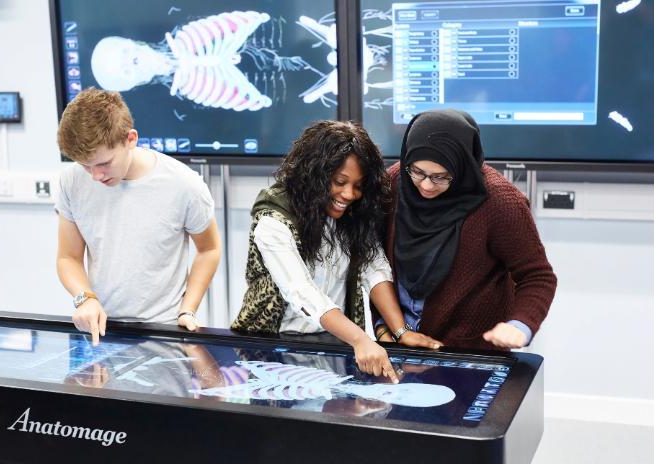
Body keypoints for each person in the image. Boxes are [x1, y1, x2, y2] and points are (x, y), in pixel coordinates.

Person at [231, 120, 441, 382]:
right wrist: (361, 339)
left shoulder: (355, 214)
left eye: (358, 185)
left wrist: (401, 331)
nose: (349, 194)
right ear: (313, 174)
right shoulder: (273, 220)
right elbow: (301, 293)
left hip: (335, 345)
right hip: (275, 348)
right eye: (339, 181)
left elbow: (374, 266)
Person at [376, 109, 557, 350]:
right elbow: (370, 260)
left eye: (441, 177)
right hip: (396, 343)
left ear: (462, 166)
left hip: (466, 353)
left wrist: (519, 324)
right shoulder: (394, 182)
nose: (426, 185)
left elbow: (538, 277)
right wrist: (382, 325)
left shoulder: (500, 202)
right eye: (418, 172)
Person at [55, 87, 221, 345]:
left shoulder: (185, 185)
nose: (95, 176)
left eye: (103, 163)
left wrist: (187, 309)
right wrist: (85, 298)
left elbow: (209, 249)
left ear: (130, 139)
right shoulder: (70, 181)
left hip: (164, 332)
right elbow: (68, 257)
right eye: (85, 165)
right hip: (100, 329)